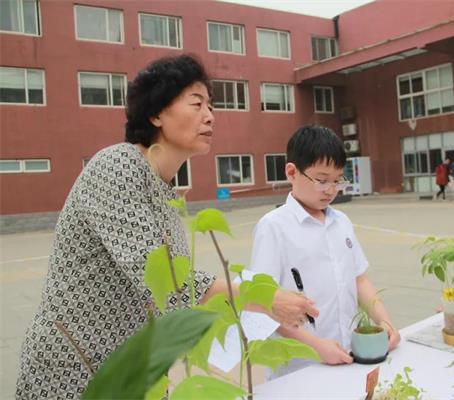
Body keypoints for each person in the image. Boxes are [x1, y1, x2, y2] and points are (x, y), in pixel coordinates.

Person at [15, 55, 318, 399]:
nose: (209, 115)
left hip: (128, 368)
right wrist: (262, 297)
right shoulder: (117, 167)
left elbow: (174, 297)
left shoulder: (163, 190)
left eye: (211, 106)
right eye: (197, 103)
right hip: (74, 368)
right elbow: (168, 282)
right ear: (156, 113)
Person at [248, 125, 400, 378]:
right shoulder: (273, 227)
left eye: (337, 180)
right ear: (292, 172)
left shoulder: (341, 221)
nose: (331, 189)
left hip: (347, 355)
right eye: (321, 180)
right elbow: (263, 305)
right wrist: (317, 348)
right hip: (299, 367)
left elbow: (359, 278)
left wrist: (385, 321)